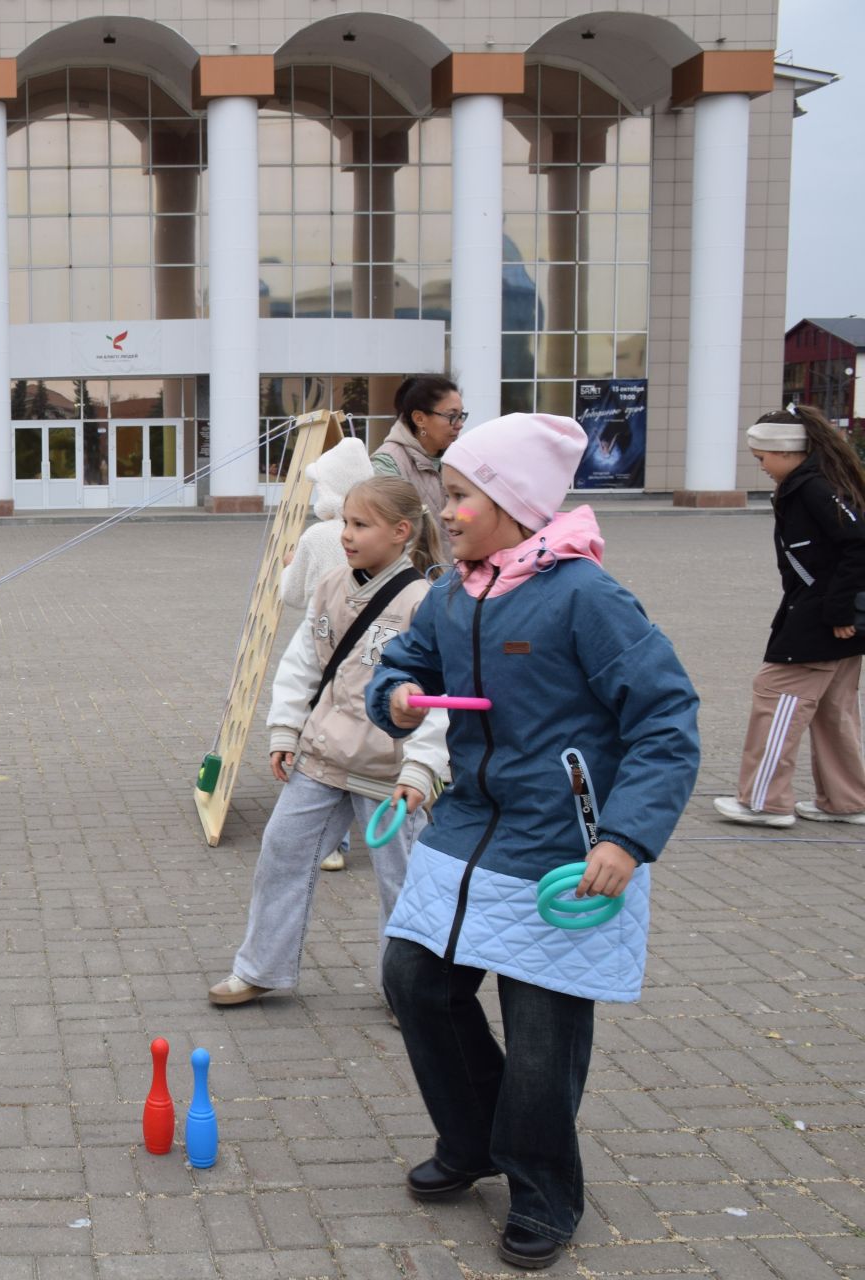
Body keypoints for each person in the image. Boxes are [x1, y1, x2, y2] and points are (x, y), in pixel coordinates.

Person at [366, 413, 699, 1269]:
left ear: (513, 503)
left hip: (568, 848)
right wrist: (398, 699)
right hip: (468, 832)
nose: (449, 509)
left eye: (464, 494)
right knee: (413, 979)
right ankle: (473, 1140)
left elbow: (667, 717)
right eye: (447, 492)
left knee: (543, 1033)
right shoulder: (452, 591)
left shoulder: (586, 597)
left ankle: (546, 1192)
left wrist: (627, 837)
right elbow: (404, 666)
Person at [209, 478, 449, 1007]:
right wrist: (284, 729)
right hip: (319, 757)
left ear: (401, 532)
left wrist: (421, 769)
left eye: (360, 524)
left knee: (403, 882)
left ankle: (407, 992)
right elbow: (302, 664)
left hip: (389, 774)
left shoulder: (424, 603)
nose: (346, 534)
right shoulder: (331, 585)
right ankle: (260, 968)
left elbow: (436, 696)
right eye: (344, 522)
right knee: (281, 854)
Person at [713, 404, 865, 827]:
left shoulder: (814, 488)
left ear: (786, 451)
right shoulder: (817, 484)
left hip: (823, 618)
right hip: (830, 615)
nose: (760, 466)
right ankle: (846, 800)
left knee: (776, 694)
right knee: (835, 708)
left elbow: (858, 545)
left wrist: (838, 610)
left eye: (762, 458)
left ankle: (764, 802)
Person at [279, 435, 380, 872]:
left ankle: (333, 843)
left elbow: (294, 594)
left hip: (324, 647)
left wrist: (287, 566)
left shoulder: (318, 535)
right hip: (373, 651)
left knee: (323, 739)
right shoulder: (382, 535)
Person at [372, 375, 465, 563]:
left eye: (461, 415)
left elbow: (468, 514)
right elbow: (388, 532)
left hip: (455, 579)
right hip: (412, 582)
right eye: (452, 416)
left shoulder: (459, 460)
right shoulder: (388, 463)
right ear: (419, 418)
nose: (459, 424)